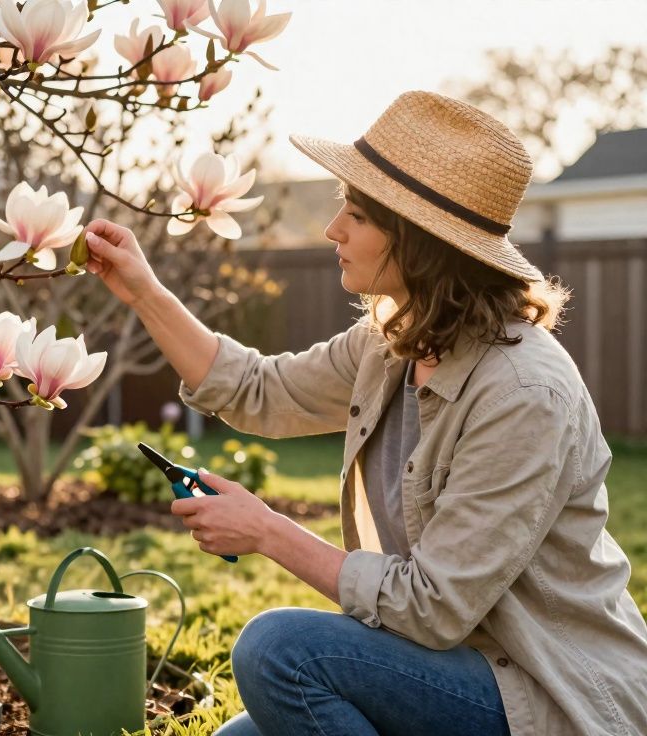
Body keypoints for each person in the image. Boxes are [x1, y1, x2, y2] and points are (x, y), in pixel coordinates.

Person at [82, 91, 647, 736]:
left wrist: (268, 531)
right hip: (447, 665)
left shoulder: (522, 394)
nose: (333, 231)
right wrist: (141, 288)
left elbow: (432, 606)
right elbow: (256, 390)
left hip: (546, 694)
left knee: (278, 651)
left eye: (355, 215)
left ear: (419, 241)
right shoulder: (395, 342)